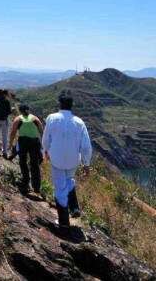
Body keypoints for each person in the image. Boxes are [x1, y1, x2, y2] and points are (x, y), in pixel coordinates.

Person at [42, 91, 92, 236]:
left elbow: (46, 137)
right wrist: (86, 164)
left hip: (56, 158)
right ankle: (74, 207)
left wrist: (45, 150)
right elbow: (86, 146)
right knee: (68, 181)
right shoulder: (79, 122)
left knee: (59, 188)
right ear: (71, 106)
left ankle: (64, 223)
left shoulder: (52, 118)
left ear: (60, 104)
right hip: (72, 161)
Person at [8, 104, 44, 194]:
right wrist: (43, 144)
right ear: (28, 110)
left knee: (23, 162)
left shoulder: (18, 119)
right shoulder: (35, 118)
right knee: (34, 164)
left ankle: (25, 181)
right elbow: (41, 131)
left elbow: (13, 132)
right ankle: (36, 187)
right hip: (35, 142)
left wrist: (10, 143)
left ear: (20, 111)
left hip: (23, 141)